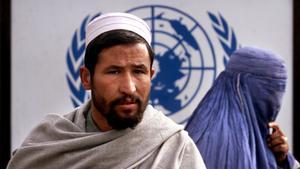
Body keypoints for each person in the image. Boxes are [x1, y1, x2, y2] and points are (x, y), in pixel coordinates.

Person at [6, 12, 206, 169]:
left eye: (138, 71)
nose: (129, 87)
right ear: (87, 78)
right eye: (114, 72)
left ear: (151, 75)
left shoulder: (175, 148)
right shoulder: (48, 145)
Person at [185, 47, 299, 169]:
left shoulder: (260, 132)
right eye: (271, 89)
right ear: (241, 86)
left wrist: (282, 160)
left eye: (281, 89)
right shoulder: (217, 142)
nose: (277, 100)